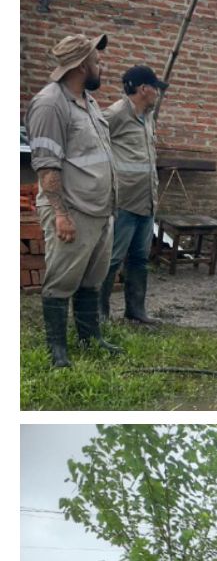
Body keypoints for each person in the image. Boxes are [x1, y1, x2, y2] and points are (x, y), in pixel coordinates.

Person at [25, 32, 122, 368]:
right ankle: (57, 350)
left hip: (99, 211)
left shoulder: (89, 102)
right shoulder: (51, 104)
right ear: (81, 65)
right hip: (73, 211)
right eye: (97, 60)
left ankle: (89, 337)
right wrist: (61, 215)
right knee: (62, 279)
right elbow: (47, 165)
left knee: (91, 279)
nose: (101, 65)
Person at [100, 64, 166, 325]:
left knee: (139, 258)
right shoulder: (115, 114)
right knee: (112, 258)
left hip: (146, 201)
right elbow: (91, 141)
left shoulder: (148, 115)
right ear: (143, 89)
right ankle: (99, 314)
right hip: (124, 202)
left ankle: (135, 309)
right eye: (155, 89)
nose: (158, 94)